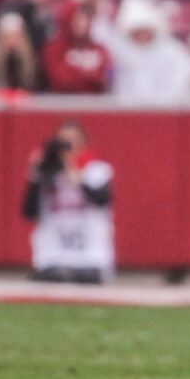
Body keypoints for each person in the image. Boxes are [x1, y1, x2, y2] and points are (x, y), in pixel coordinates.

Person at [22, 120, 115, 284]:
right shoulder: (47, 174)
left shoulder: (96, 170)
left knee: (87, 278)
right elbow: (29, 212)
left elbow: (102, 200)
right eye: (63, 141)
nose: (68, 147)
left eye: (73, 140)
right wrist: (36, 175)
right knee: (58, 277)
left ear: (84, 143)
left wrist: (74, 173)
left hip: (90, 255)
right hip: (53, 256)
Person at [110, 0, 190, 106]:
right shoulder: (119, 52)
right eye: (138, 32)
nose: (142, 36)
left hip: (167, 110)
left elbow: (181, 85)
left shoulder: (172, 51)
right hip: (128, 112)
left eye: (145, 31)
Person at [41, 2, 111, 94]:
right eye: (78, 19)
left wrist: (77, 72)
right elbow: (61, 81)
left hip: (94, 101)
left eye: (87, 19)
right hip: (63, 101)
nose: (83, 24)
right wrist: (89, 74)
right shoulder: (54, 48)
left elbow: (105, 79)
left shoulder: (99, 49)